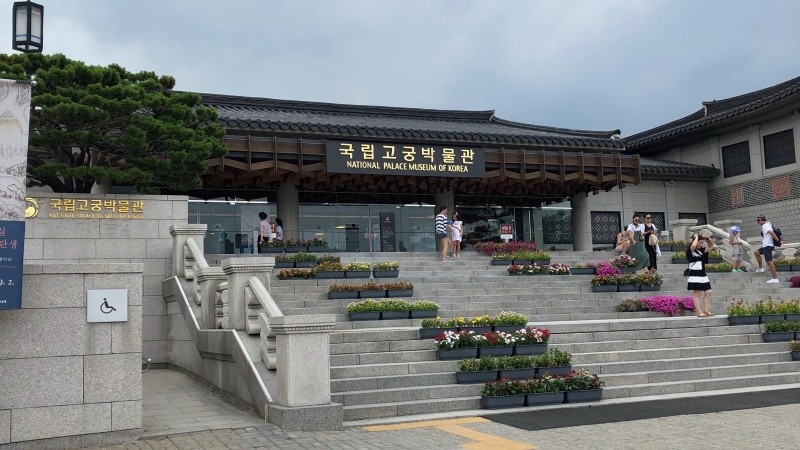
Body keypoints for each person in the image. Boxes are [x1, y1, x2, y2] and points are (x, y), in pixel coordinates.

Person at [686, 233, 714, 317]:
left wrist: (708, 239)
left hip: (702, 273)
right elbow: (693, 246)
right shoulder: (690, 250)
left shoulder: (701, 251)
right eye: (700, 243)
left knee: (708, 292)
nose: (701, 244)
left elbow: (711, 246)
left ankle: (706, 310)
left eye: (702, 243)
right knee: (697, 294)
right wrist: (696, 237)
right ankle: (699, 312)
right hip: (694, 273)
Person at [754, 215, 780, 284]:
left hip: (767, 246)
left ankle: (775, 278)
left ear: (760, 220)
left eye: (757, 221)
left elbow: (771, 233)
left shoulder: (765, 226)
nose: (757, 223)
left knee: (769, 261)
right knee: (756, 253)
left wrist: (778, 241)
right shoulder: (769, 224)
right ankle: (760, 268)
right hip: (767, 245)